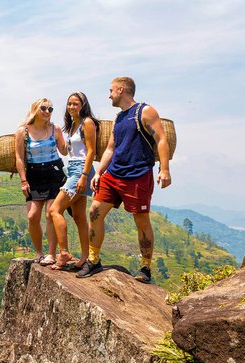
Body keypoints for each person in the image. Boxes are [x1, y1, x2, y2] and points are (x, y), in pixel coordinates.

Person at [77, 77, 172, 282]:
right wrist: (100, 172)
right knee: (94, 212)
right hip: (113, 173)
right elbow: (111, 148)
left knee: (141, 220)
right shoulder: (118, 118)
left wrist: (164, 169)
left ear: (121, 90)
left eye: (111, 90)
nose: (109, 94)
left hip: (138, 175)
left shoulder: (145, 111)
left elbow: (161, 139)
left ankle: (145, 268)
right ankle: (93, 260)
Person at [47, 92, 98, 270]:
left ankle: (64, 253)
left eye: (75, 104)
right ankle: (85, 257)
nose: (71, 107)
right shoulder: (72, 126)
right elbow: (65, 151)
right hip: (73, 169)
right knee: (78, 217)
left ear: (83, 105)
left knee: (54, 210)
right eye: (69, 104)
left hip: (81, 170)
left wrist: (84, 176)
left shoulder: (87, 123)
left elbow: (91, 151)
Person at [14, 98, 67, 265]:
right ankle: (39, 253)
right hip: (34, 175)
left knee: (50, 214)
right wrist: (23, 180)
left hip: (54, 172)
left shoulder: (55, 129)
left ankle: (51, 254)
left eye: (50, 109)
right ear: (35, 109)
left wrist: (79, 139)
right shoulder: (23, 131)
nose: (47, 112)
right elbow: (19, 157)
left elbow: (64, 151)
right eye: (43, 108)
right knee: (32, 216)